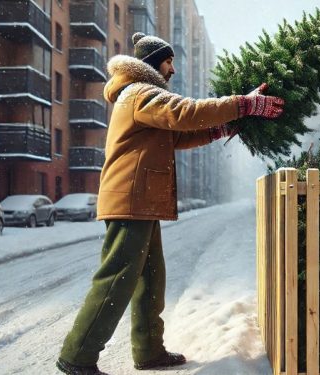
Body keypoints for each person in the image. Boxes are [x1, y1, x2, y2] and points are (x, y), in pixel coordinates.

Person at [56, 32, 284, 375]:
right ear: (152, 64)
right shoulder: (139, 93)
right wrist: (243, 103)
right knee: (117, 277)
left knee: (150, 278)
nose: (173, 69)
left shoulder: (146, 98)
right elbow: (184, 112)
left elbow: (177, 134)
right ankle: (76, 356)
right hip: (129, 200)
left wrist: (219, 130)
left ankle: (148, 351)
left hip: (141, 201)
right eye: (168, 61)